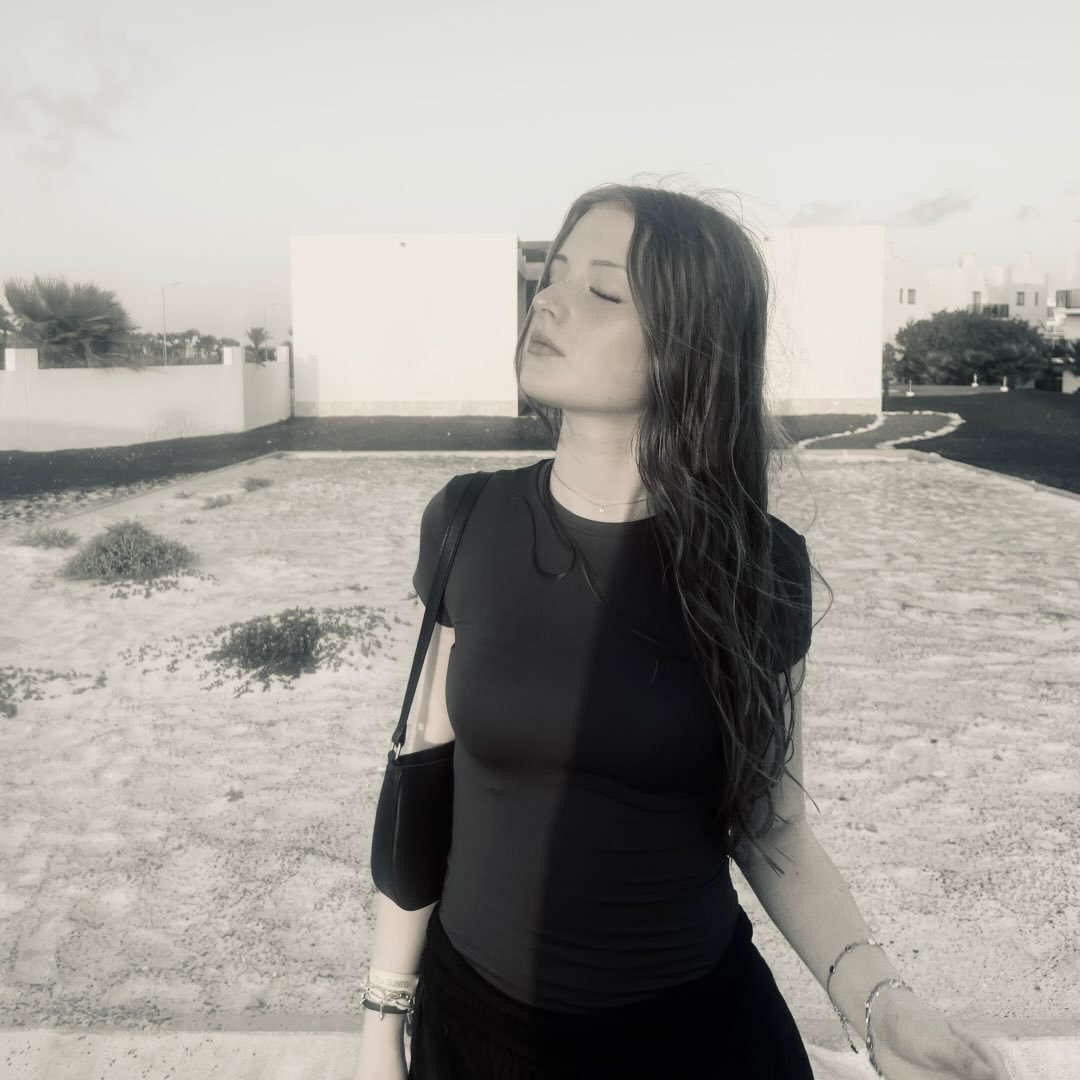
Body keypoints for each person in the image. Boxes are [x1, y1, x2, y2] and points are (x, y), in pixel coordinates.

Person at [353, 183, 1011, 1080]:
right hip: (477, 1036)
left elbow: (771, 825)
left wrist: (879, 1002)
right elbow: (421, 783)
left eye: (603, 290)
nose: (549, 302)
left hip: (696, 1041)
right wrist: (382, 1022)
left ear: (687, 347)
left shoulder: (760, 566)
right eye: (552, 275)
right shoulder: (467, 521)